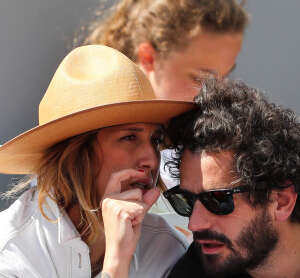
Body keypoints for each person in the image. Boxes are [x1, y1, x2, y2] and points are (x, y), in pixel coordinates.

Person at [0, 45, 195, 278]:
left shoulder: (165, 248)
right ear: (75, 154)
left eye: (156, 139)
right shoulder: (13, 251)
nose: (152, 160)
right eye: (129, 137)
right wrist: (115, 265)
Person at [78, 0, 249, 192]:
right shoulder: (85, 134)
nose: (218, 93)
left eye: (226, 76)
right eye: (201, 78)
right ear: (148, 57)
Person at [163, 77, 300, 278]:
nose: (194, 223)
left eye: (218, 199)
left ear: (281, 201)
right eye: (187, 201)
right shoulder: (192, 272)